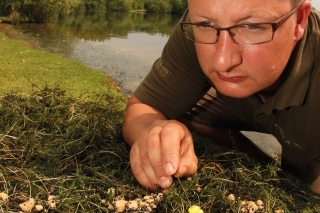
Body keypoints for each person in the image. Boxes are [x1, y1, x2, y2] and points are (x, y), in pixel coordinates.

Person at [122, 0, 320, 193]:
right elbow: (144, 107)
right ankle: (263, 164)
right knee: (181, 116)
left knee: (302, 186)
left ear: (299, 20)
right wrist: (156, 135)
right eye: (205, 24)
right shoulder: (192, 32)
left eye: (252, 26)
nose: (222, 61)